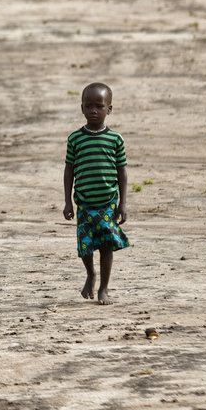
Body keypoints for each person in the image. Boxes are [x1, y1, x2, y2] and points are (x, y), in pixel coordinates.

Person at [62, 82, 129, 305]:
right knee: (85, 245)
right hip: (84, 203)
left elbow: (122, 172)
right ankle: (90, 274)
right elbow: (69, 170)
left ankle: (104, 288)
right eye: (88, 106)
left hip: (108, 202)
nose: (93, 110)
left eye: (99, 106)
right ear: (81, 108)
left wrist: (123, 203)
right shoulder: (75, 139)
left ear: (108, 109)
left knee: (107, 245)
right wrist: (67, 202)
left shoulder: (115, 139)